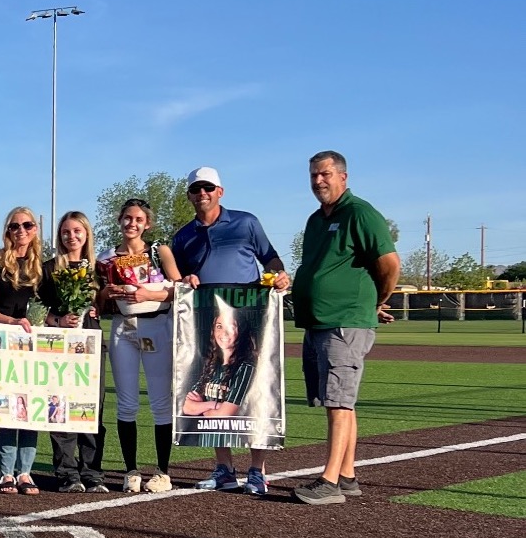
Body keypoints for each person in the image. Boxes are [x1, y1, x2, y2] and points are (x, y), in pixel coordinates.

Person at [171, 166, 290, 496]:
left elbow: (271, 258)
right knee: (213, 387)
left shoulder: (246, 222)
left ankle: (257, 471)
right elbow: (178, 276)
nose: (202, 194)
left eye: (208, 187)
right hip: (209, 323)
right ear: (190, 196)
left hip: (252, 317)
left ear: (220, 191)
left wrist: (279, 276)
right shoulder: (183, 236)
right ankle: (223, 467)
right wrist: (184, 279)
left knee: (258, 387)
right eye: (196, 189)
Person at [289, 151, 399, 505]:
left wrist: (375, 301)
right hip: (319, 322)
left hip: (344, 321)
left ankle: (330, 481)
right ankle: (347, 475)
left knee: (339, 401)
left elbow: (389, 263)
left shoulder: (360, 213)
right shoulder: (316, 219)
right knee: (337, 401)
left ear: (343, 177)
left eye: (325, 174)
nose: (318, 181)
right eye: (313, 176)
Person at [99, 198, 183, 494]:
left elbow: (179, 289)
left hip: (156, 325)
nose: (131, 224)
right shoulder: (107, 257)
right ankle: (130, 470)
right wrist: (106, 293)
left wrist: (149, 293)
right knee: (126, 402)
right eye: (127, 218)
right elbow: (99, 299)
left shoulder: (159, 252)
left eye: (138, 219)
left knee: (160, 402)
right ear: (119, 220)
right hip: (123, 328)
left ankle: (163, 471)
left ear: (146, 224)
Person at [38, 211, 109, 493]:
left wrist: (101, 306)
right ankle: (67, 472)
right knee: (61, 408)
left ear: (87, 233)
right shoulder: (48, 268)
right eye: (66, 232)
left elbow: (110, 302)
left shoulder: (100, 268)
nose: (72, 236)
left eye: (77, 230)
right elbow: (37, 309)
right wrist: (57, 320)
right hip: (59, 346)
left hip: (91, 344)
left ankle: (92, 472)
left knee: (92, 409)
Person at [0, 206, 44, 495]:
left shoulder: (44, 266)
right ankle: (6, 472)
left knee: (31, 409)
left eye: (27, 225)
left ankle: (25, 472)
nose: (21, 231)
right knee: (7, 408)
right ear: (7, 231)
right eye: (14, 226)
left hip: (36, 346)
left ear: (35, 229)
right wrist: (11, 321)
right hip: (1, 343)